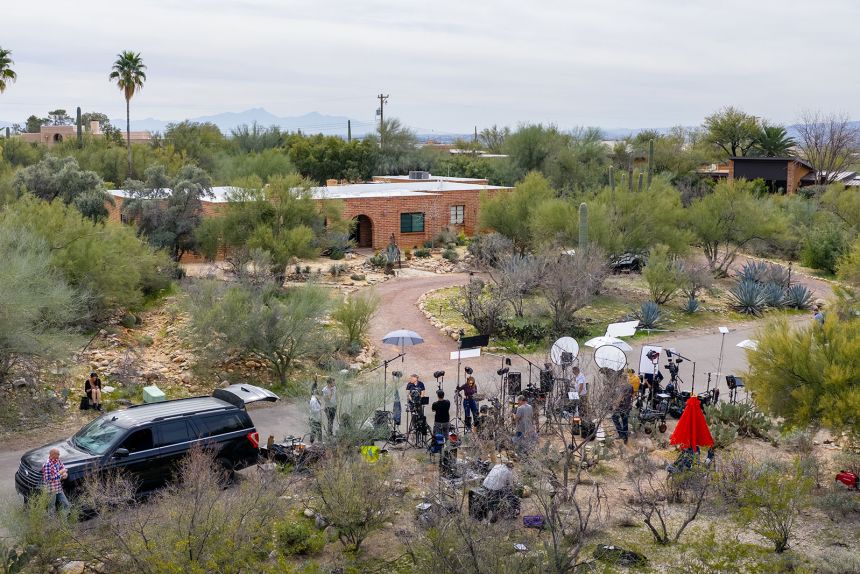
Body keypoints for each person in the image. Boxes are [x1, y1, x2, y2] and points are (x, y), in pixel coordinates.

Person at [41, 448, 70, 516]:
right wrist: (60, 473)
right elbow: (47, 479)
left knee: (66, 504)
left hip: (58, 488)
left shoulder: (57, 460)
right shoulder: (47, 465)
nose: (59, 455)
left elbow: (62, 468)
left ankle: (64, 521)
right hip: (51, 489)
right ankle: (52, 523)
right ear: (52, 454)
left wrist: (65, 474)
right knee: (51, 507)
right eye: (58, 454)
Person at [612, 373, 635, 444]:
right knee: (625, 421)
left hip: (621, 406)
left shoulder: (622, 387)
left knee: (614, 418)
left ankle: (621, 434)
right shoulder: (630, 386)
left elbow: (621, 397)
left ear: (622, 378)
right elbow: (632, 395)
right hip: (627, 406)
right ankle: (625, 438)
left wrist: (615, 403)